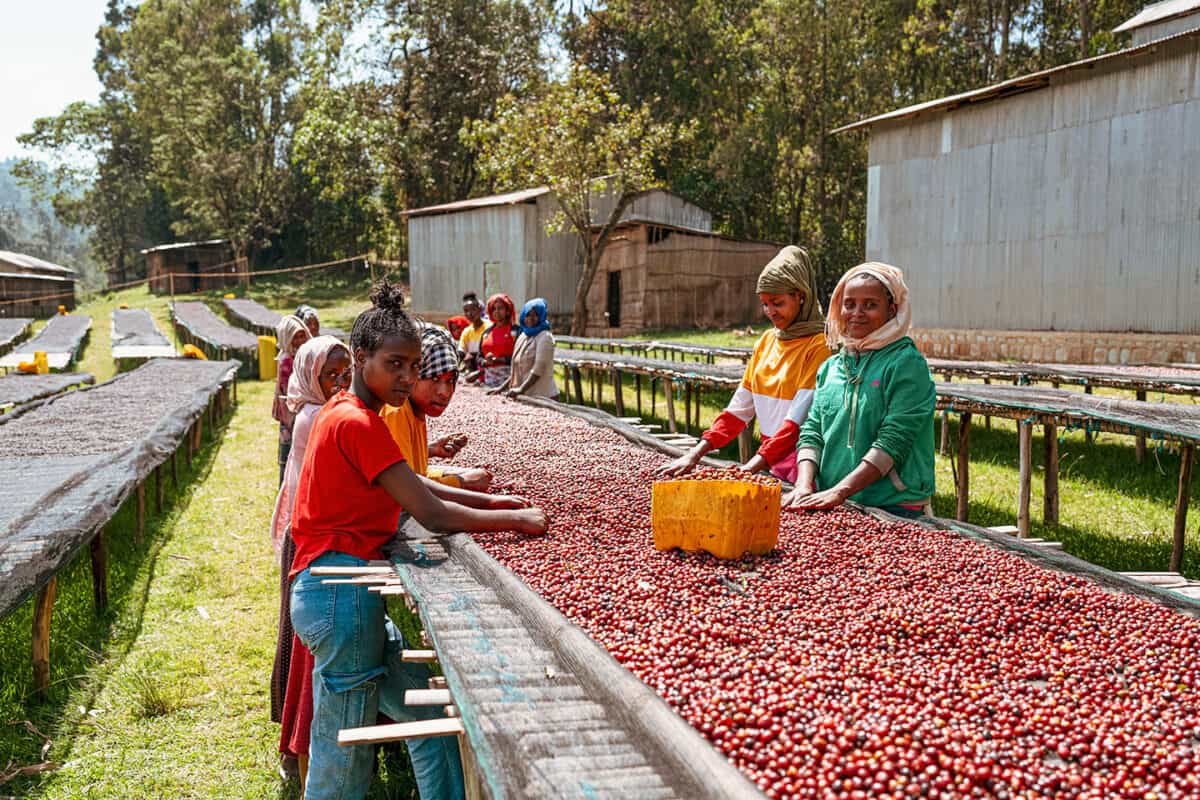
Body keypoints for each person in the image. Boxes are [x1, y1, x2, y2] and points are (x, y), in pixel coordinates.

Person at [288, 279, 547, 800]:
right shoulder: (357, 422)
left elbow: (410, 480)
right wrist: (513, 521)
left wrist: (499, 504)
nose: (407, 377)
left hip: (343, 596)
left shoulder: (350, 411)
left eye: (412, 364)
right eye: (395, 365)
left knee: (427, 718)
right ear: (361, 357)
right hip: (338, 594)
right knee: (342, 758)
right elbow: (428, 509)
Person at [659, 246, 831, 482]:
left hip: (805, 464)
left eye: (777, 303)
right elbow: (739, 409)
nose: (770, 312)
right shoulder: (767, 341)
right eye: (765, 304)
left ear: (801, 296)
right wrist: (695, 453)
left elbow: (797, 423)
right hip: (771, 459)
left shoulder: (820, 346)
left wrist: (750, 468)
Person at [782, 262, 935, 518]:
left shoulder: (906, 364)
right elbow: (812, 431)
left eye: (871, 305)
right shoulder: (831, 367)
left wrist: (841, 491)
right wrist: (804, 484)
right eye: (849, 303)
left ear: (892, 310)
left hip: (893, 504)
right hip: (830, 498)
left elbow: (894, 440)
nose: (857, 313)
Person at [268, 336, 352, 787]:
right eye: (330, 375)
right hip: (307, 540)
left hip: (304, 534)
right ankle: (297, 744)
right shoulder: (317, 417)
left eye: (346, 373)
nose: (341, 382)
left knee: (298, 643)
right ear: (309, 377)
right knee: (303, 649)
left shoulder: (318, 411)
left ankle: (292, 739)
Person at [381, 324, 493, 492]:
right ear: (412, 377)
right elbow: (405, 491)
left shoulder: (415, 409)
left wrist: (429, 450)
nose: (444, 392)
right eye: (434, 378)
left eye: (450, 381)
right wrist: (460, 482)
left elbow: (415, 472)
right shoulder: (396, 411)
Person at [488, 297, 558, 400]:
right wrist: (501, 388)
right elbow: (516, 368)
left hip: (543, 396)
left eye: (535, 315)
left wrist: (521, 389)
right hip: (526, 395)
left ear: (542, 316)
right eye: (527, 315)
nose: (530, 318)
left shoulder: (545, 337)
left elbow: (539, 369)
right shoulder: (523, 336)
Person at [274, 315, 312, 485]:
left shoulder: (308, 356)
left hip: (304, 415)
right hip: (294, 418)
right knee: (293, 458)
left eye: (302, 335)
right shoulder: (287, 362)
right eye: (294, 337)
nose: (300, 340)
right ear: (286, 339)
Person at [478, 293, 517, 388]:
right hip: (488, 382)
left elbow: (521, 357)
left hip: (510, 382)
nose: (496, 311)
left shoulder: (516, 331)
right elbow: (479, 357)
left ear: (508, 311)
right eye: (494, 309)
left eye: (500, 308)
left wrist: (499, 360)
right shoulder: (486, 333)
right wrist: (485, 362)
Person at [457, 293, 486, 376]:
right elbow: (461, 352)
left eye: (473, 309)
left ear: (480, 309)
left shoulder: (490, 327)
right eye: (466, 311)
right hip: (473, 373)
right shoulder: (466, 331)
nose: (470, 313)